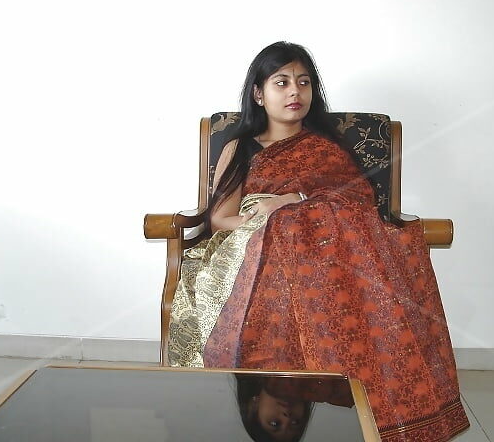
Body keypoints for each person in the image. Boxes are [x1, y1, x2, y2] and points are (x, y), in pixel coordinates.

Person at [168, 41, 470, 441]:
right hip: (253, 249)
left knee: (315, 226)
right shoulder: (240, 147)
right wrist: (266, 222)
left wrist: (294, 202)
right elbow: (220, 219)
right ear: (259, 93)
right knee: (290, 229)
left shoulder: (326, 149)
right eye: (282, 82)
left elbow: (358, 203)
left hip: (323, 257)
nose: (295, 92)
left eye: (304, 82)